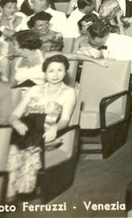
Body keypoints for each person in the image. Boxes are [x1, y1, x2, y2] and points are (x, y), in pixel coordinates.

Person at [6, 54, 78, 197]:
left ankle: (13, 191)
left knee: (26, 147)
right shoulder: (33, 89)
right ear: (44, 73)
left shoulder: (69, 92)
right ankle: (11, 188)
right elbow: (14, 114)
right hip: (26, 128)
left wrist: (55, 128)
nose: (55, 74)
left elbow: (65, 120)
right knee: (18, 145)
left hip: (46, 131)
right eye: (51, 71)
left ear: (65, 72)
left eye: (60, 70)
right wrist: (16, 122)